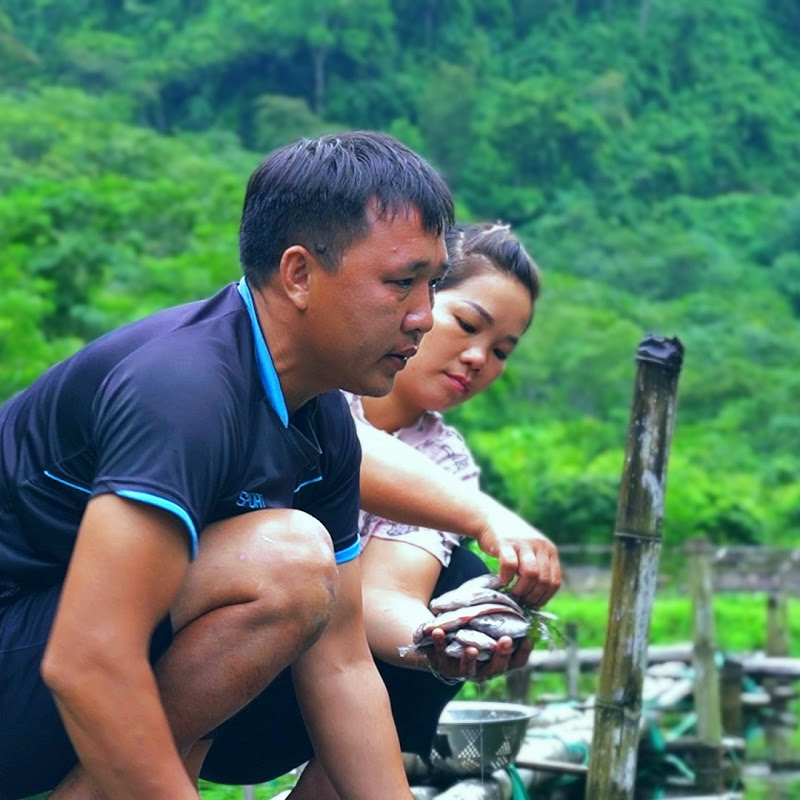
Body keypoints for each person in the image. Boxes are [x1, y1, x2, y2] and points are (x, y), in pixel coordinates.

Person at [0, 131, 456, 800]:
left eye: (434, 283)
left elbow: (342, 667)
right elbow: (87, 659)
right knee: (288, 559)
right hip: (33, 659)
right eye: (401, 283)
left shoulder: (321, 416)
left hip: (51, 675)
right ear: (298, 274)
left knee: (312, 580)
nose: (424, 317)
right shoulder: (184, 392)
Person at [198, 222, 560, 796]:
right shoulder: (320, 381)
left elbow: (388, 597)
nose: (477, 358)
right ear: (415, 299)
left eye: (500, 352)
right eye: (467, 325)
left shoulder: (447, 460)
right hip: (205, 664)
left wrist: (443, 640)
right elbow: (347, 448)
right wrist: (487, 516)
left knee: (460, 583)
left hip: (314, 690)